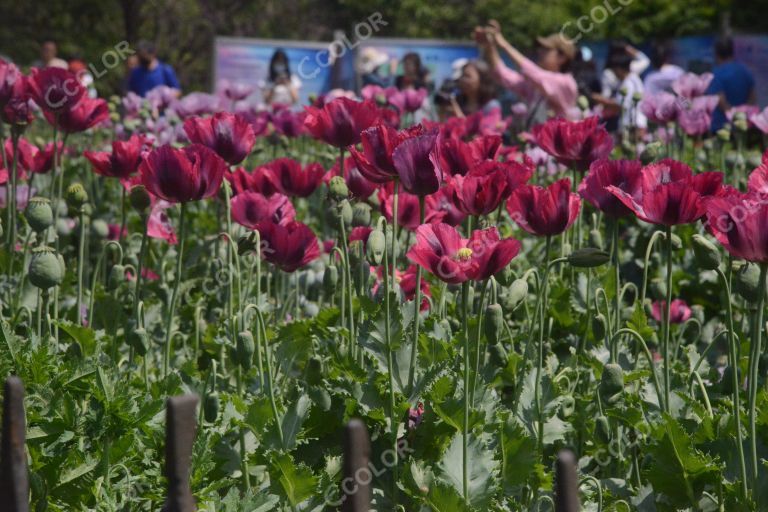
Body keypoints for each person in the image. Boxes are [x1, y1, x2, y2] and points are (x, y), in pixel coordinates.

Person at [478, 20, 578, 124]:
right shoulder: (536, 84)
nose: (540, 51)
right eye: (541, 48)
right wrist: (489, 46)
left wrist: (503, 43)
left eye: (547, 49)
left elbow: (535, 74)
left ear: (562, 57)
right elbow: (503, 75)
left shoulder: (566, 82)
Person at [706, 35, 756, 132]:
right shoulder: (745, 70)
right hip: (744, 125)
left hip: (722, 127)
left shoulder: (717, 74)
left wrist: (733, 117)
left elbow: (720, 101)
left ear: (716, 53)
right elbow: (752, 98)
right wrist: (743, 117)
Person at [592, 48, 647, 133]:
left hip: (631, 123)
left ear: (619, 69)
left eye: (615, 70)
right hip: (637, 121)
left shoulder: (628, 83)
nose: (615, 73)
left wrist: (601, 100)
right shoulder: (634, 78)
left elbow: (621, 105)